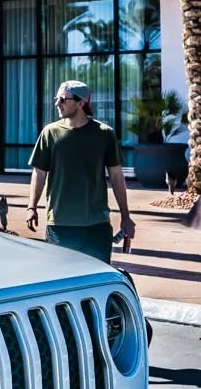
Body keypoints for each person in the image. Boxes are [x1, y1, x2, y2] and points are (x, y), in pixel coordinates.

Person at [26, 80, 134, 263]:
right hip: (60, 225)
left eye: (62, 99)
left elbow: (116, 176)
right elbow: (39, 173)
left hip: (96, 226)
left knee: (97, 276)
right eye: (56, 99)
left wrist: (126, 216)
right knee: (62, 277)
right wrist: (32, 207)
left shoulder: (104, 134)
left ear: (80, 103)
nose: (57, 103)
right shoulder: (50, 133)